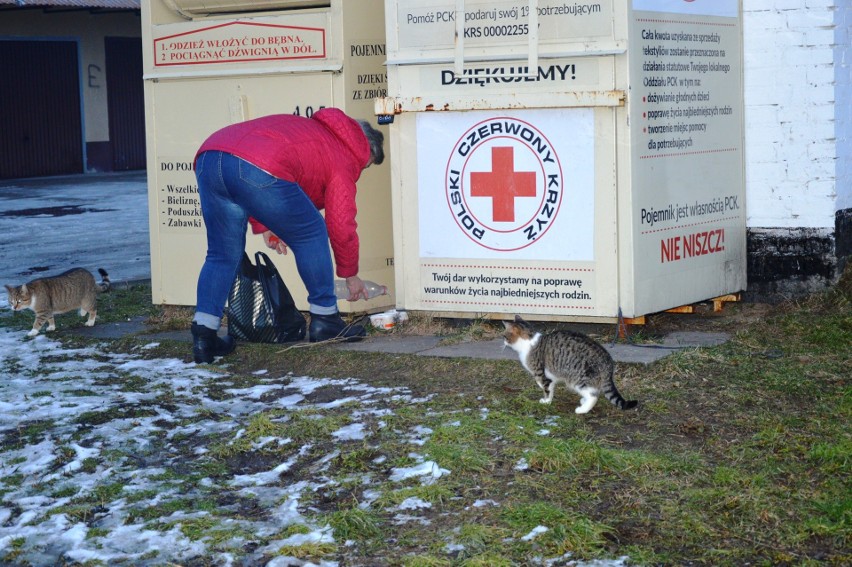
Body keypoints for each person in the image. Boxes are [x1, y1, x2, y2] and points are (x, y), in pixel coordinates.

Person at [189, 107, 385, 363]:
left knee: (221, 254)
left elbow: (263, 165)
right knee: (312, 232)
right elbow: (340, 223)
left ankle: (204, 335)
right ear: (366, 150)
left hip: (210, 156)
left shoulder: (315, 132)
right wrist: (350, 274)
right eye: (366, 166)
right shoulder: (344, 155)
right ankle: (326, 319)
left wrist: (265, 224)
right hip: (253, 164)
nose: (362, 170)